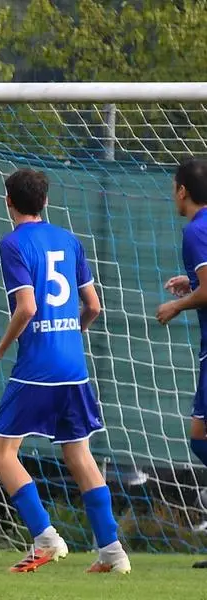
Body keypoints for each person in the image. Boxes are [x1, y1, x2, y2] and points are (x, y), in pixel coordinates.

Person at [0, 168, 130, 574]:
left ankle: (46, 538)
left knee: (0, 452)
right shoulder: (70, 240)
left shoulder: (12, 244)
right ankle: (113, 552)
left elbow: (27, 307)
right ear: (45, 202)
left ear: (8, 201)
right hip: (74, 366)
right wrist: (71, 332)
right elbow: (94, 307)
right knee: (79, 454)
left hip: (37, 367)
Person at [156, 158, 207, 569]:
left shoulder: (195, 230)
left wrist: (178, 304)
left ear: (181, 191)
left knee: (199, 435)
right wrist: (191, 285)